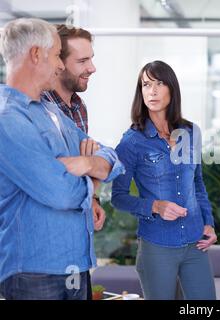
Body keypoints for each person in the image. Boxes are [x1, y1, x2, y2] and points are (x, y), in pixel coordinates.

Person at [0, 18, 124, 300]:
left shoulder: (50, 113)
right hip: (35, 272)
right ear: (35, 54)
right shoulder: (8, 118)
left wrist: (87, 165)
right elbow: (61, 193)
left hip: (74, 263)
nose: (59, 66)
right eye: (57, 55)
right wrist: (93, 179)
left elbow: (111, 157)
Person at [111, 60, 217, 300]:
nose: (152, 91)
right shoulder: (131, 142)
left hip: (194, 243)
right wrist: (155, 207)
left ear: (172, 88)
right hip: (156, 247)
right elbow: (118, 197)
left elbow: (197, 183)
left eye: (159, 83)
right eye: (146, 85)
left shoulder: (191, 132)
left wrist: (208, 222)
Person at [41, 24, 103, 301]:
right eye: (82, 61)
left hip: (78, 244)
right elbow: (53, 173)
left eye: (91, 58)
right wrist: (90, 165)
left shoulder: (79, 107)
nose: (92, 68)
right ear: (57, 63)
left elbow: (93, 162)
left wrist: (93, 197)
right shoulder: (37, 109)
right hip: (44, 250)